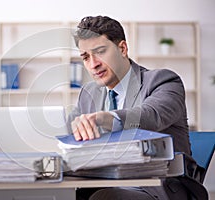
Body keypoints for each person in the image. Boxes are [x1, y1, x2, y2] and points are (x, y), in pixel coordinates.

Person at [67, 16, 207, 200]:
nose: (93, 64)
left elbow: (151, 115)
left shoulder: (163, 81)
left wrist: (106, 118)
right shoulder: (88, 93)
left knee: (105, 197)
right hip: (103, 182)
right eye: (86, 57)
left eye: (100, 52)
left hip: (159, 189)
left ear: (122, 49)